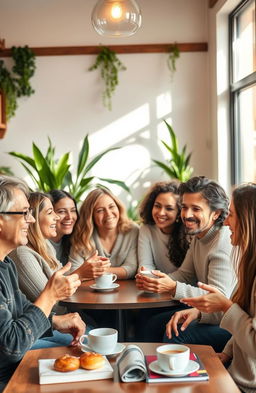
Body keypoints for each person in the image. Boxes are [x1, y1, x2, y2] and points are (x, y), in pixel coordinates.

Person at [0, 176, 84, 391]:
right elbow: (11, 346)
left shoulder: (6, 264)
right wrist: (50, 295)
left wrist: (56, 321)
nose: (31, 220)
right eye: (24, 213)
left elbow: (21, 311)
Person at [171, 183, 256, 393]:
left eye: (232, 215)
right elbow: (245, 318)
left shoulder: (224, 246)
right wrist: (227, 353)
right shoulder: (247, 263)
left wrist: (226, 306)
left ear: (248, 221)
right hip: (236, 373)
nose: (226, 222)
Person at [136, 176, 236, 351]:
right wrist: (157, 281)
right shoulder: (199, 235)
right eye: (184, 207)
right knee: (152, 324)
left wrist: (172, 287)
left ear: (216, 213)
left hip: (229, 324)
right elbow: (185, 274)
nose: (186, 215)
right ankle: (147, 372)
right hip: (208, 314)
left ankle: (173, 377)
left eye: (196, 209)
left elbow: (218, 299)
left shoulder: (222, 243)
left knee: (175, 334)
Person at [70, 188, 139, 279]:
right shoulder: (83, 235)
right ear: (91, 216)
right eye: (100, 210)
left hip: (126, 291)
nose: (108, 214)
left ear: (118, 207)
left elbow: (131, 269)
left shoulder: (132, 230)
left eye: (111, 207)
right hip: (89, 292)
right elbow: (73, 272)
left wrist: (91, 271)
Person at [137, 181, 189, 274]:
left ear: (179, 213)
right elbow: (145, 266)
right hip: (156, 284)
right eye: (157, 206)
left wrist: (162, 281)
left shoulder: (188, 233)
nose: (161, 213)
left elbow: (187, 274)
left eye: (169, 208)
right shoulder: (146, 229)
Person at [49, 189, 78, 266]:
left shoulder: (72, 242)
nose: (69, 217)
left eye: (73, 210)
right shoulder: (39, 244)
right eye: (62, 211)